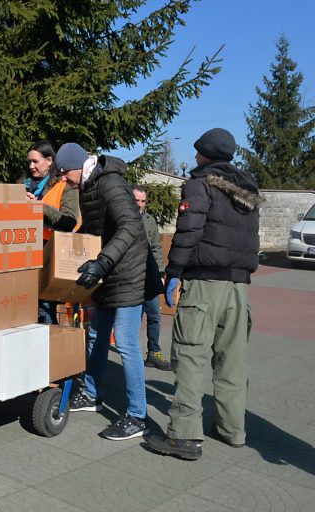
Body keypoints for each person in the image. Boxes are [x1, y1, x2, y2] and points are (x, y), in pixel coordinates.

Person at [145, 128, 264, 460]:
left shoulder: (199, 184)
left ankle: (184, 435)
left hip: (204, 286)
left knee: (190, 358)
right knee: (232, 362)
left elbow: (190, 230)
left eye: (198, 152)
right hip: (240, 288)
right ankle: (232, 430)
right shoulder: (247, 188)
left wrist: (174, 273)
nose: (194, 157)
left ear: (205, 154)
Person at [57, 143, 150, 441]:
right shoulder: (88, 185)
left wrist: (104, 261)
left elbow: (131, 226)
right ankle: (92, 394)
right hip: (109, 271)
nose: (62, 180)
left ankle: (137, 415)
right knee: (97, 333)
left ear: (77, 166)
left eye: (63, 173)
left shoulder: (110, 182)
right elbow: (96, 229)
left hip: (129, 272)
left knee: (125, 341)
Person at [20, 140, 80, 324]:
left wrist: (39, 207)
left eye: (35, 162)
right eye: (29, 162)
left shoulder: (65, 185)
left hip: (49, 254)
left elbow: (69, 222)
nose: (31, 166)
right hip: (25, 255)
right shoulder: (23, 184)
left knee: (45, 309)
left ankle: (49, 348)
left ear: (49, 161)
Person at [132, 185, 170, 371]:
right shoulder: (124, 218)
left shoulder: (149, 220)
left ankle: (153, 353)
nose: (140, 204)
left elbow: (156, 248)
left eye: (143, 201)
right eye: (137, 200)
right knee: (134, 319)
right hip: (132, 278)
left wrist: (161, 273)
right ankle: (132, 355)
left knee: (154, 315)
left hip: (150, 277)